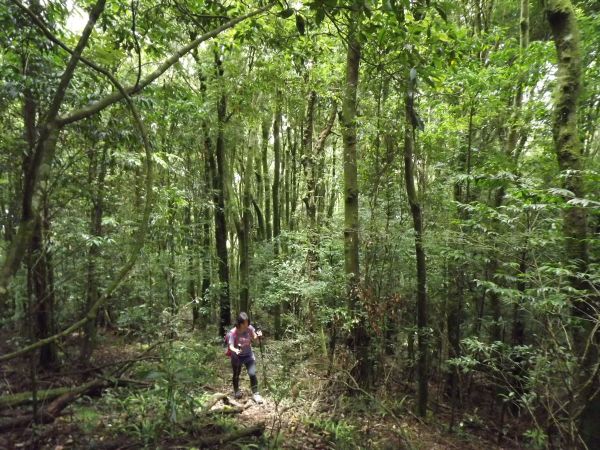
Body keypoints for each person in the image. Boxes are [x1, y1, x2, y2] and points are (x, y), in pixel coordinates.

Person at [228, 312, 263, 403]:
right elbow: (231, 345)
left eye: (247, 322)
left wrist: (258, 336)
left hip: (248, 355)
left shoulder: (249, 328)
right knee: (236, 374)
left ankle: (256, 394)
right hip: (237, 357)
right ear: (239, 323)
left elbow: (255, 338)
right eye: (244, 323)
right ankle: (236, 391)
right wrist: (235, 350)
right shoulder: (233, 332)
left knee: (252, 373)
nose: (246, 324)